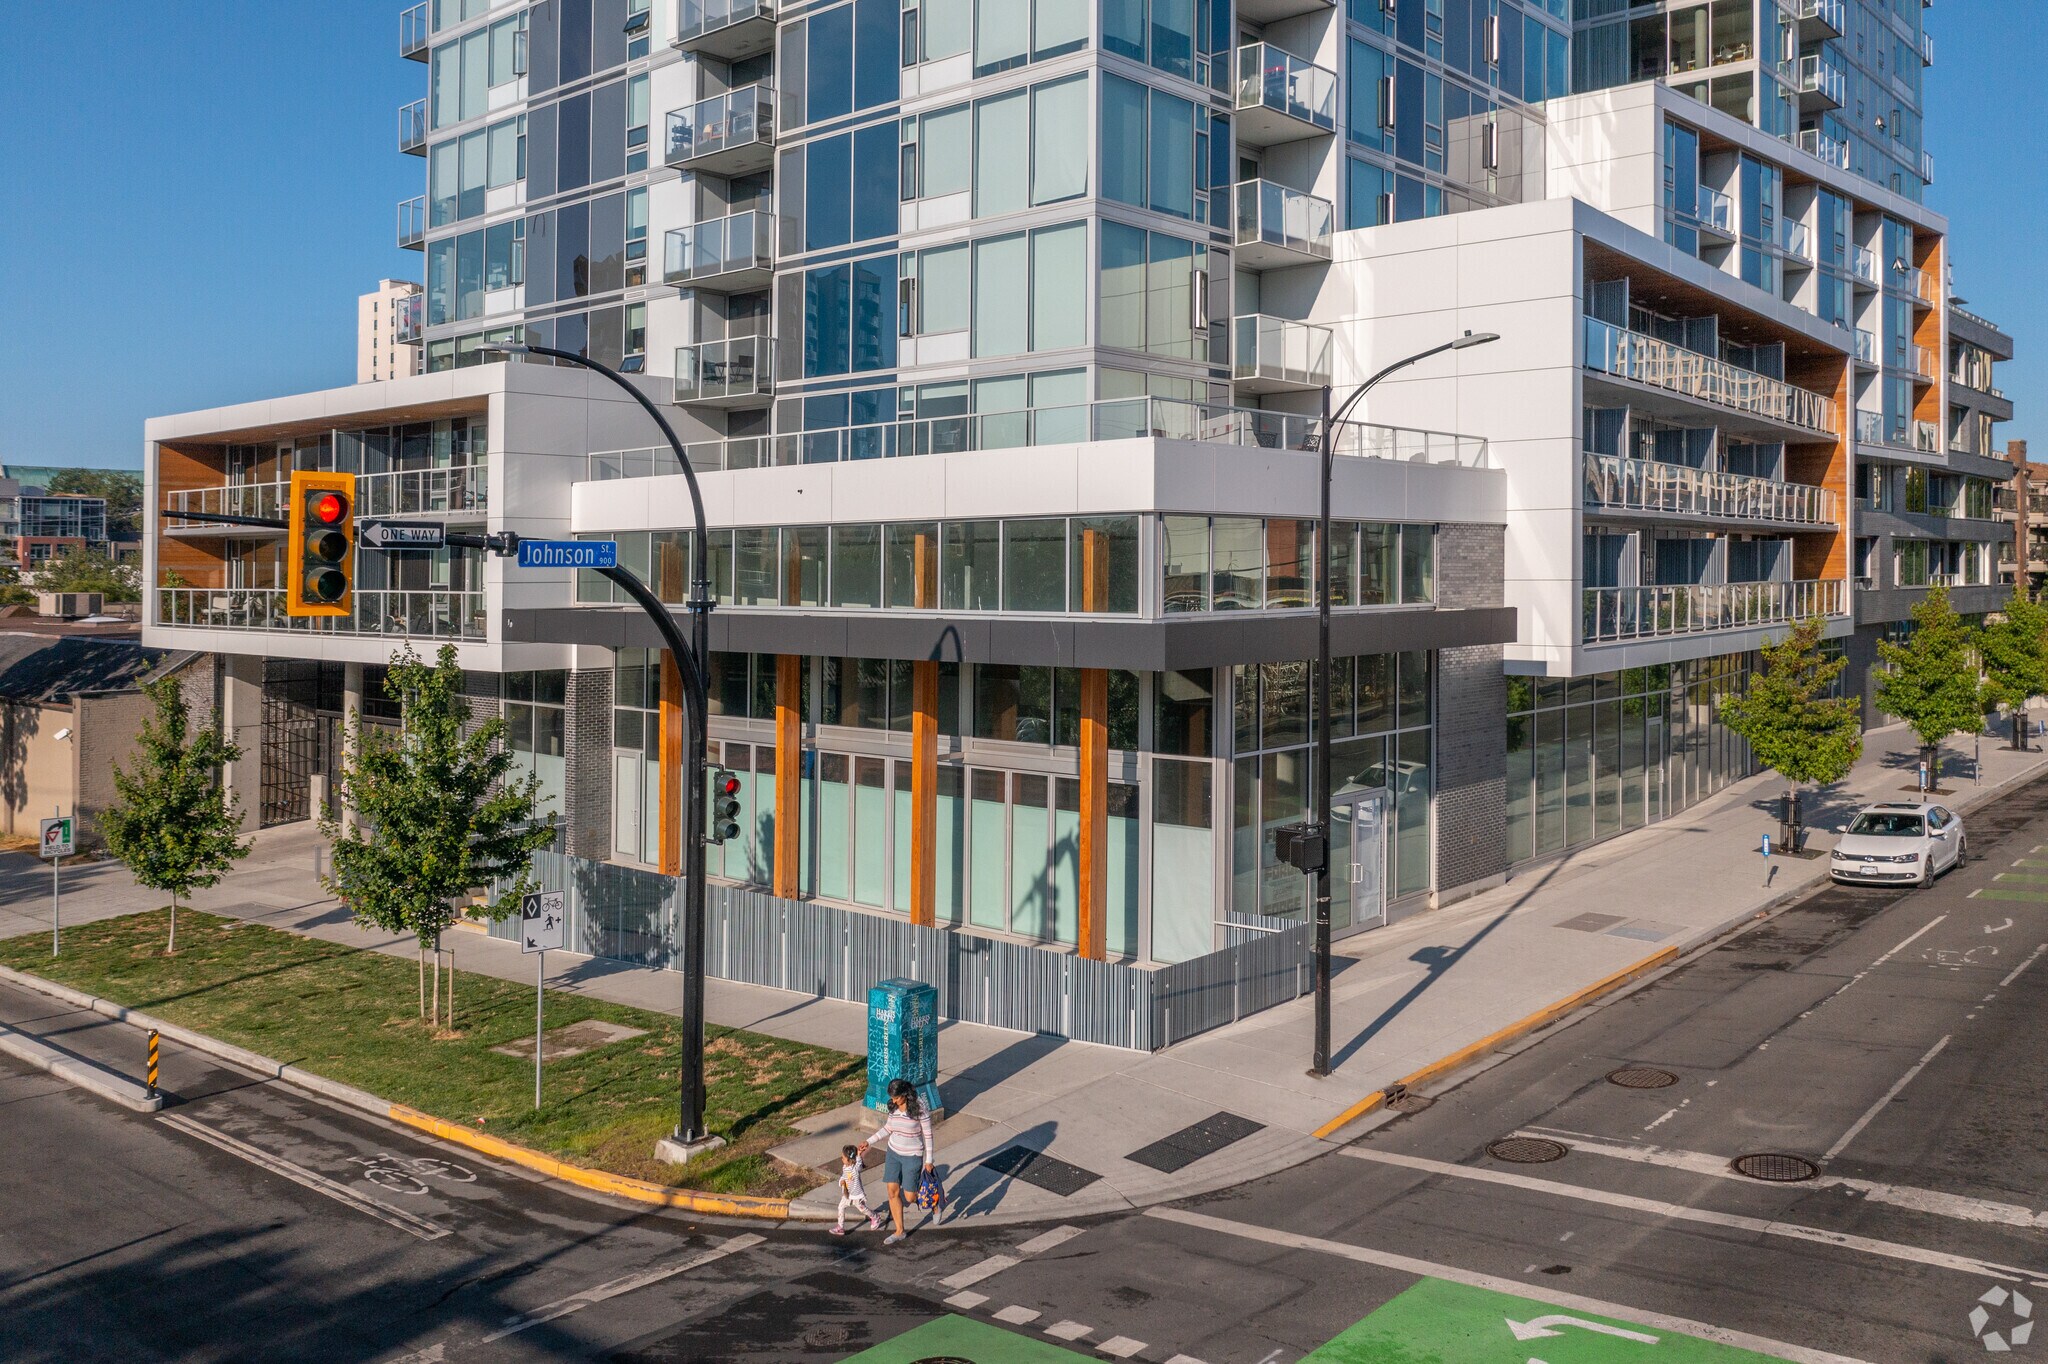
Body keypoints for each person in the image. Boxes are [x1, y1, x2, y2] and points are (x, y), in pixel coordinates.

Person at [861, 1077, 934, 1245]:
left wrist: (929, 1160)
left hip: (912, 1155)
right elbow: (888, 1128)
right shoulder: (893, 1106)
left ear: (905, 1094)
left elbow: (928, 1134)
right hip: (893, 1153)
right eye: (892, 1098)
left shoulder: (919, 1107)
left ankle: (933, 1202)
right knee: (892, 1192)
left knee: (910, 1197)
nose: (893, 1101)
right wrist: (869, 1142)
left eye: (896, 1098)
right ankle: (900, 1231)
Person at [831, 1143, 883, 1236]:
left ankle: (875, 1217)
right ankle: (840, 1227)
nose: (841, 1159)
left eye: (843, 1157)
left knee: (862, 1209)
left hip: (856, 1195)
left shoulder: (855, 1169)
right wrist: (841, 1181)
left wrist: (858, 1154)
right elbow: (844, 1176)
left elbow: (859, 1163)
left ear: (849, 1159)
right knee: (841, 1207)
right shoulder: (845, 1167)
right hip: (848, 1194)